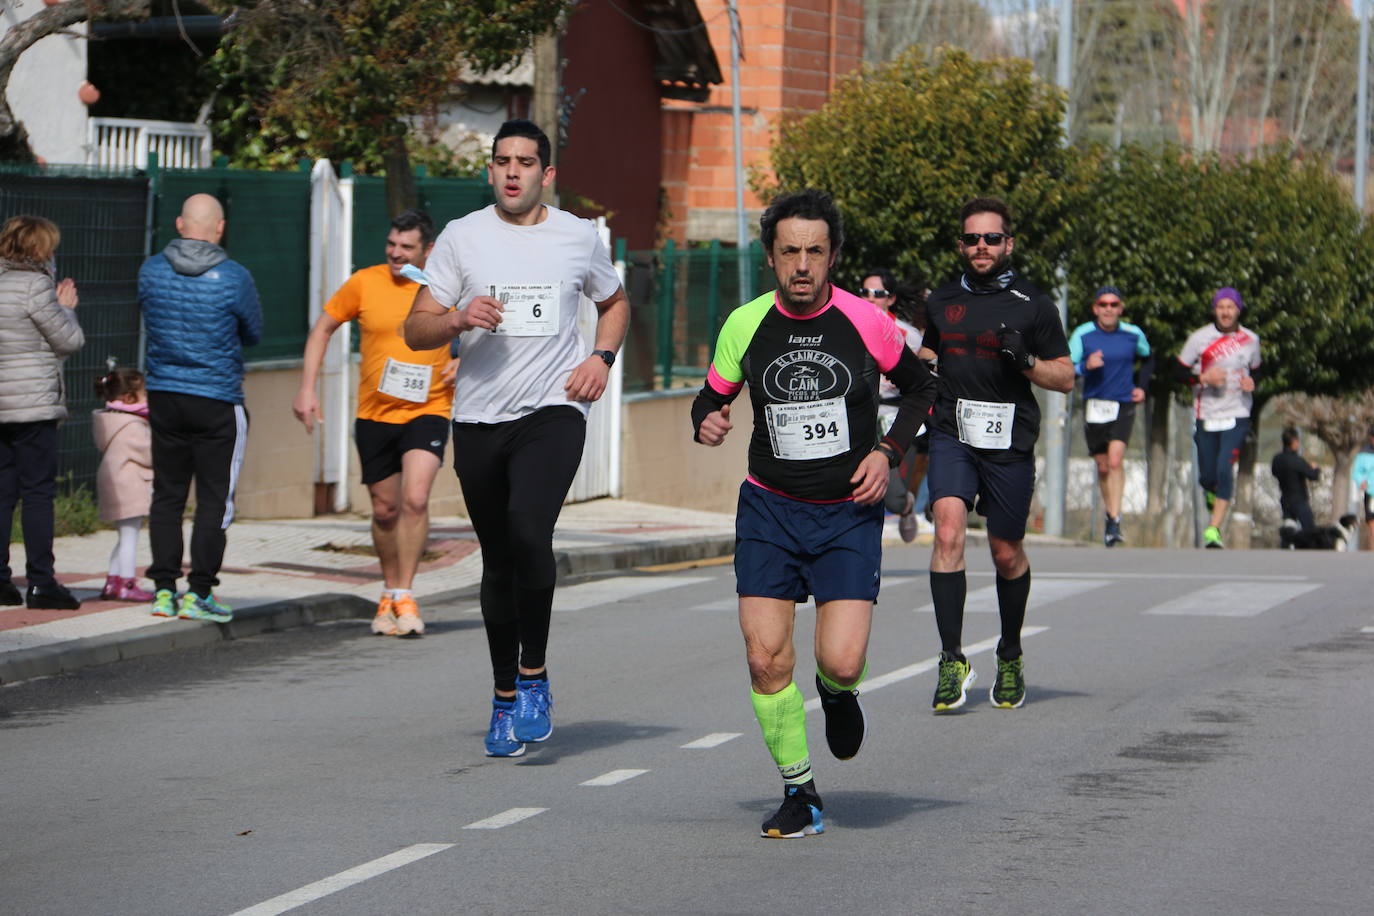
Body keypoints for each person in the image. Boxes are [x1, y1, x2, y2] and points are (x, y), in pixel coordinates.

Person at [692, 190, 937, 838]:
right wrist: (707, 421)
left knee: (844, 661)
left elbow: (921, 389)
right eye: (790, 251)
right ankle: (800, 790)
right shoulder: (744, 325)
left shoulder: (867, 323)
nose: (802, 264)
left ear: (834, 257)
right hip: (770, 509)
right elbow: (710, 397)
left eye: (815, 251)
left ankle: (835, 694)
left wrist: (888, 453)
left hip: (848, 513)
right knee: (766, 657)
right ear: (771, 256)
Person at [403, 119, 630, 758]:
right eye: (502, 161)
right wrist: (455, 316)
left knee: (531, 531)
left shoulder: (577, 237)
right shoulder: (460, 238)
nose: (511, 172)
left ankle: (534, 677)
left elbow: (615, 303)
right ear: (491, 170)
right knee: (498, 557)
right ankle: (504, 695)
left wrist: (601, 359)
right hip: (478, 419)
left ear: (546, 173)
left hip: (553, 412)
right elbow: (414, 330)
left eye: (525, 162)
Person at [916, 197, 1074, 712]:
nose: (980, 247)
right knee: (947, 531)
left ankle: (1009, 652)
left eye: (990, 239)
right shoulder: (940, 300)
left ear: (1008, 243)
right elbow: (929, 351)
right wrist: (922, 370)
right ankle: (951, 657)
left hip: (1009, 440)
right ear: (960, 245)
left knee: (1005, 552)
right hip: (951, 434)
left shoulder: (1034, 305)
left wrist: (1025, 359)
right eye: (971, 239)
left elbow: (1065, 377)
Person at [293, 210, 456, 638]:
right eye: (391, 245)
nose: (396, 254)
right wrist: (307, 388)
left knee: (415, 499)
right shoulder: (365, 282)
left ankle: (405, 592)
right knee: (384, 511)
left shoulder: (444, 286)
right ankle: (388, 591)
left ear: (428, 250)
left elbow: (484, 329)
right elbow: (322, 329)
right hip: (374, 414)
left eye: (406, 247)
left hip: (429, 408)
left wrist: (463, 361)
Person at [139, 193, 262, 622]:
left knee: (167, 495)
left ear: (179, 224)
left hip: (165, 394)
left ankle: (163, 590)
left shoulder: (151, 270)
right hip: (216, 396)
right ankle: (200, 592)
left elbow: (149, 318)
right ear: (220, 229)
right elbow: (253, 331)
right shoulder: (234, 277)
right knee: (215, 499)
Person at [0, 215, 85, 610]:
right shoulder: (37, 287)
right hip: (32, 406)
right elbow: (69, 341)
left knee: (2, 494)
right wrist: (66, 308)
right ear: (39, 250)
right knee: (37, 493)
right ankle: (41, 582)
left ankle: (0, 580)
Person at [1067, 285, 1153, 547]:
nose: (1108, 309)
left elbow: (1148, 358)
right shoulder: (1083, 334)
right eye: (1103, 304)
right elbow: (1067, 367)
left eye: (1113, 304)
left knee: (1116, 461)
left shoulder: (1132, 333)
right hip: (1094, 404)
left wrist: (1142, 387)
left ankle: (1115, 520)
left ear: (1120, 308)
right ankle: (1110, 514)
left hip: (1123, 403)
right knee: (1103, 466)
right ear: (1095, 308)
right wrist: (1085, 366)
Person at [1177, 287, 1260, 549]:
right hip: (1207, 413)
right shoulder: (1199, 339)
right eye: (1221, 307)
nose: (1226, 312)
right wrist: (1203, 378)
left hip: (1237, 413)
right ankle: (1212, 494)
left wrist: (1251, 382)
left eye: (1231, 307)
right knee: (1207, 476)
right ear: (1215, 309)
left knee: (1226, 468)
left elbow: (1257, 371)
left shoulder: (1250, 340)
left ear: (1239, 310)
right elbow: (1177, 374)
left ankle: (1214, 529)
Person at [860, 268, 929, 543]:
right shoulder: (847, 326)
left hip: (896, 417)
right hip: (860, 416)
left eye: (877, 293)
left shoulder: (908, 335)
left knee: (894, 495)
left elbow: (923, 383)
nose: (869, 298)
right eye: (864, 292)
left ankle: (906, 506)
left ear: (891, 299)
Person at [92, 365, 154, 601]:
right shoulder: (133, 426)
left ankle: (113, 580)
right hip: (130, 486)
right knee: (130, 536)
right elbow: (150, 455)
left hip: (115, 482)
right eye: (144, 394)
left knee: (124, 535)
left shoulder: (111, 422)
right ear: (129, 398)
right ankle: (127, 582)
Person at [1271, 428, 1318, 547]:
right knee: (1309, 529)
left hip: (1285, 498)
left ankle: (1285, 548)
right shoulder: (1296, 460)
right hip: (1299, 499)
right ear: (1294, 442)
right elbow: (1313, 475)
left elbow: (1274, 472)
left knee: (1288, 528)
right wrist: (1315, 468)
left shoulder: (1277, 459)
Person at [1351, 427, 1374, 550]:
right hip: (1371, 492)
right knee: (1372, 521)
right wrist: (1361, 481)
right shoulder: (1364, 454)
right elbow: (1356, 472)